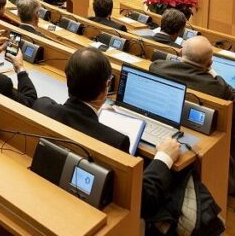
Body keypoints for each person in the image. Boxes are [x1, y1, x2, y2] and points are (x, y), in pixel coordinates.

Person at [32, 48, 178, 220]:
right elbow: (143, 201)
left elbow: (68, 114)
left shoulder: (41, 106)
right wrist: (163, 158)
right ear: (106, 87)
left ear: (68, 79)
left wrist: (94, 113)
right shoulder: (116, 141)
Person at [150, 36, 235, 113]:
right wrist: (215, 74)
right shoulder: (217, 87)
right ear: (209, 64)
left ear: (181, 52)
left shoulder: (157, 67)